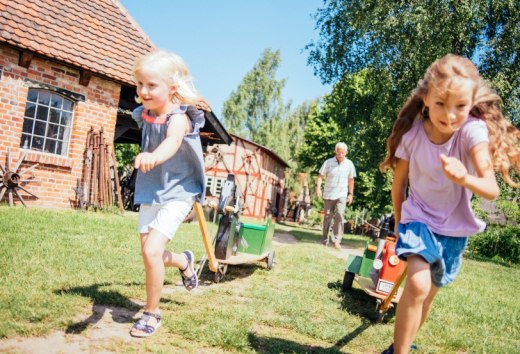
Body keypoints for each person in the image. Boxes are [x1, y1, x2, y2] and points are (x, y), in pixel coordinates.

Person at [379, 54, 520, 353]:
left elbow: (491, 189)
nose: (450, 115)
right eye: (441, 103)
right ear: (426, 98)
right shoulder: (414, 133)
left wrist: (464, 178)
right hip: (418, 218)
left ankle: (400, 345)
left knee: (427, 295)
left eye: (460, 106)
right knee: (416, 285)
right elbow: (400, 183)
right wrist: (400, 220)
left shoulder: (472, 131)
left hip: (454, 229)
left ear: (471, 104)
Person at [129, 49, 208, 338]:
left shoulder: (179, 118)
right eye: (140, 84)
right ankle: (185, 261)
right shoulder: (145, 115)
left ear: (171, 89)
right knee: (152, 256)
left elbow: (173, 142)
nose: (143, 91)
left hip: (179, 192)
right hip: (150, 191)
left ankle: (151, 313)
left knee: (152, 251)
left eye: (151, 85)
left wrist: (154, 156)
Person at [316, 142, 356, 249]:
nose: (340, 154)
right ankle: (324, 240)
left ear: (346, 153)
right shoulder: (328, 162)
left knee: (340, 214)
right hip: (329, 194)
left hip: (342, 194)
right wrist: (318, 188)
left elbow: (351, 180)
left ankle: (337, 241)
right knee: (328, 217)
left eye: (343, 152)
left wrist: (350, 194)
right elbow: (320, 176)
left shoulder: (349, 164)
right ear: (336, 152)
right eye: (339, 152)